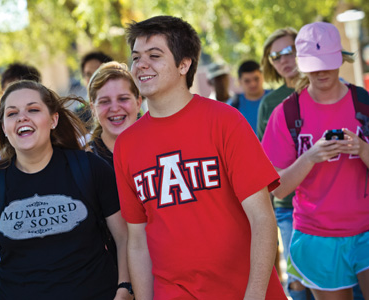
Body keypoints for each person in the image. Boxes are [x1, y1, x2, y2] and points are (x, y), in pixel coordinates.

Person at [114, 15, 286, 299]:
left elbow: (262, 217)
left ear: (184, 64)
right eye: (136, 57)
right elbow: (138, 239)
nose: (140, 65)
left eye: (154, 56)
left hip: (243, 290)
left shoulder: (225, 121)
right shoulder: (127, 145)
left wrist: (254, 295)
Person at [0, 80, 133, 300]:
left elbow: (125, 238)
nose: (22, 117)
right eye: (12, 114)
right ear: (4, 128)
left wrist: (125, 288)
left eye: (33, 109)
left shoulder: (90, 169)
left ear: (53, 120)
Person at [262, 22, 369, 300]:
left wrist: (362, 149)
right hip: (316, 235)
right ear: (301, 64)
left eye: (328, 63)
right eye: (313, 64)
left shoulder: (363, 103)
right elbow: (277, 188)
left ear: (341, 59)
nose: (321, 71)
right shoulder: (287, 113)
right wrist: (311, 156)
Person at [257, 27, 313, 300]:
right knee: (298, 279)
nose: (284, 60)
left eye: (289, 51)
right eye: (276, 56)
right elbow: (262, 162)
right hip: (286, 206)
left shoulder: (320, 88)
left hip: (329, 202)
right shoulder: (269, 103)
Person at [88, 61, 142, 167]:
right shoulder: (83, 163)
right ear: (93, 109)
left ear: (138, 103)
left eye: (123, 99)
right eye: (104, 101)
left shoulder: (159, 149)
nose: (115, 108)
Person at [76, 51, 114, 130]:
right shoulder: (79, 114)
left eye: (98, 73)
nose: (93, 79)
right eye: (88, 75)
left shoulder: (128, 107)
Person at [229, 60, 270, 131]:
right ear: (239, 82)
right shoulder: (233, 106)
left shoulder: (276, 98)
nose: (252, 84)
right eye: (247, 81)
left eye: (256, 79)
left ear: (262, 77)